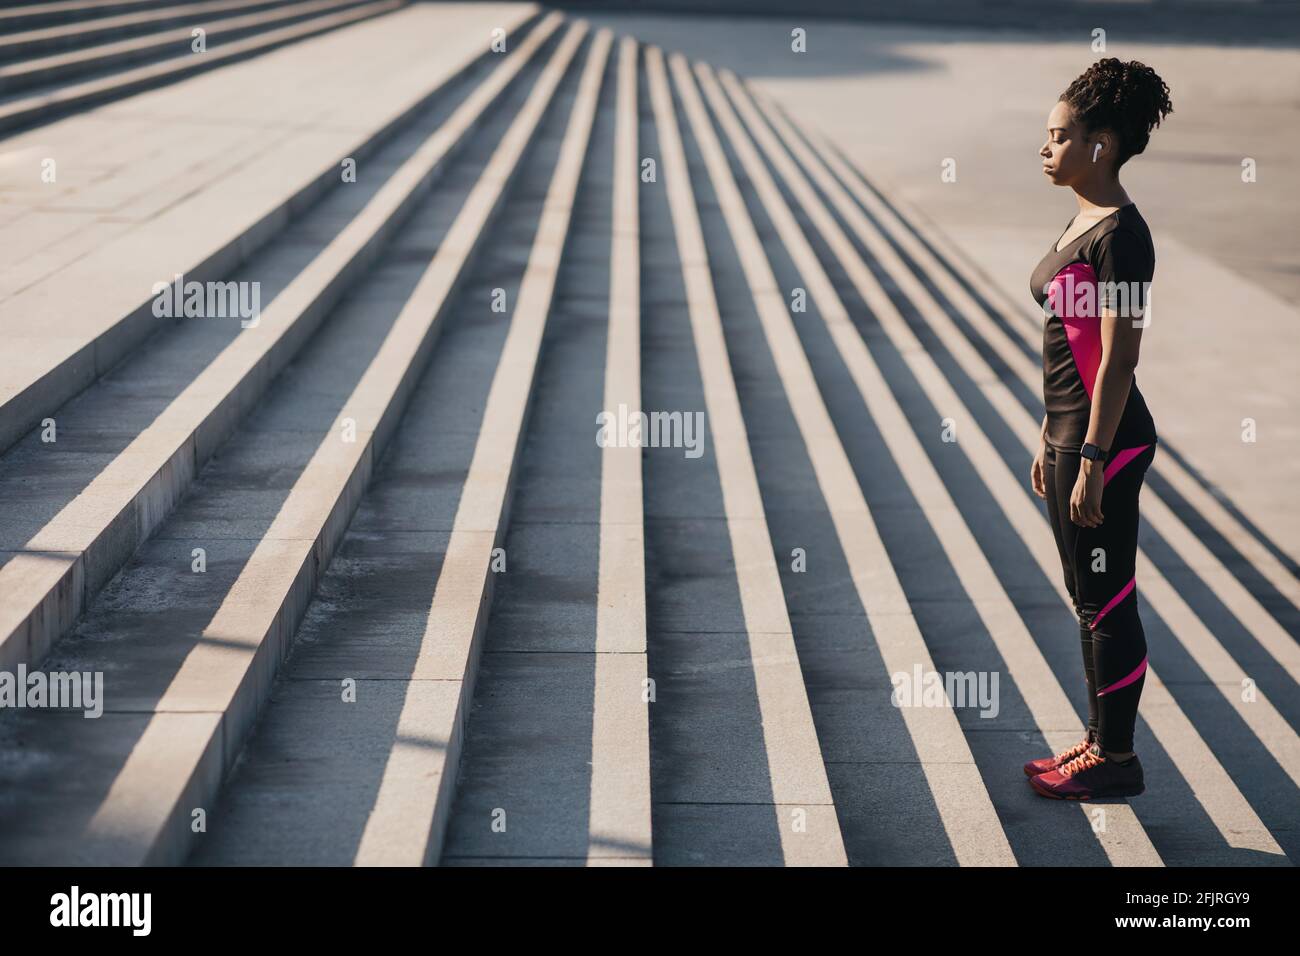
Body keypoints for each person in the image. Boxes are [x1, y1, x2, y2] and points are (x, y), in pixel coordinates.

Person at [1022, 58, 1173, 799]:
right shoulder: (1082, 216)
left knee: (1106, 601)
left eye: (1058, 137)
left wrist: (1090, 453)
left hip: (1106, 441)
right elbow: (1067, 342)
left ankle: (1116, 761)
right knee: (1088, 597)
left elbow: (1118, 357)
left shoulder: (1123, 237)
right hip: (1071, 432)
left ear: (1101, 145)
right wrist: (1046, 435)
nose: (1045, 150)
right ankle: (1097, 742)